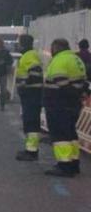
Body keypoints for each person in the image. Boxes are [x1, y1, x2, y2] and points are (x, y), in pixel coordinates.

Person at [43, 38, 88, 177]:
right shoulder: (75, 59)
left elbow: (61, 83)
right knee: (70, 134)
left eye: (52, 47)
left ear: (56, 47)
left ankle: (64, 165)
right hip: (73, 104)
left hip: (59, 103)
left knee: (60, 134)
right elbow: (83, 82)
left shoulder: (60, 60)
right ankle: (74, 163)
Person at [14, 35, 44, 161]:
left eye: (19, 43)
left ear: (24, 44)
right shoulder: (28, 55)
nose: (17, 45)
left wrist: (23, 85)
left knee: (31, 123)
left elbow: (35, 74)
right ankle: (31, 149)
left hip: (31, 95)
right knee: (30, 122)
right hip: (31, 94)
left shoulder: (29, 56)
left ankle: (31, 152)